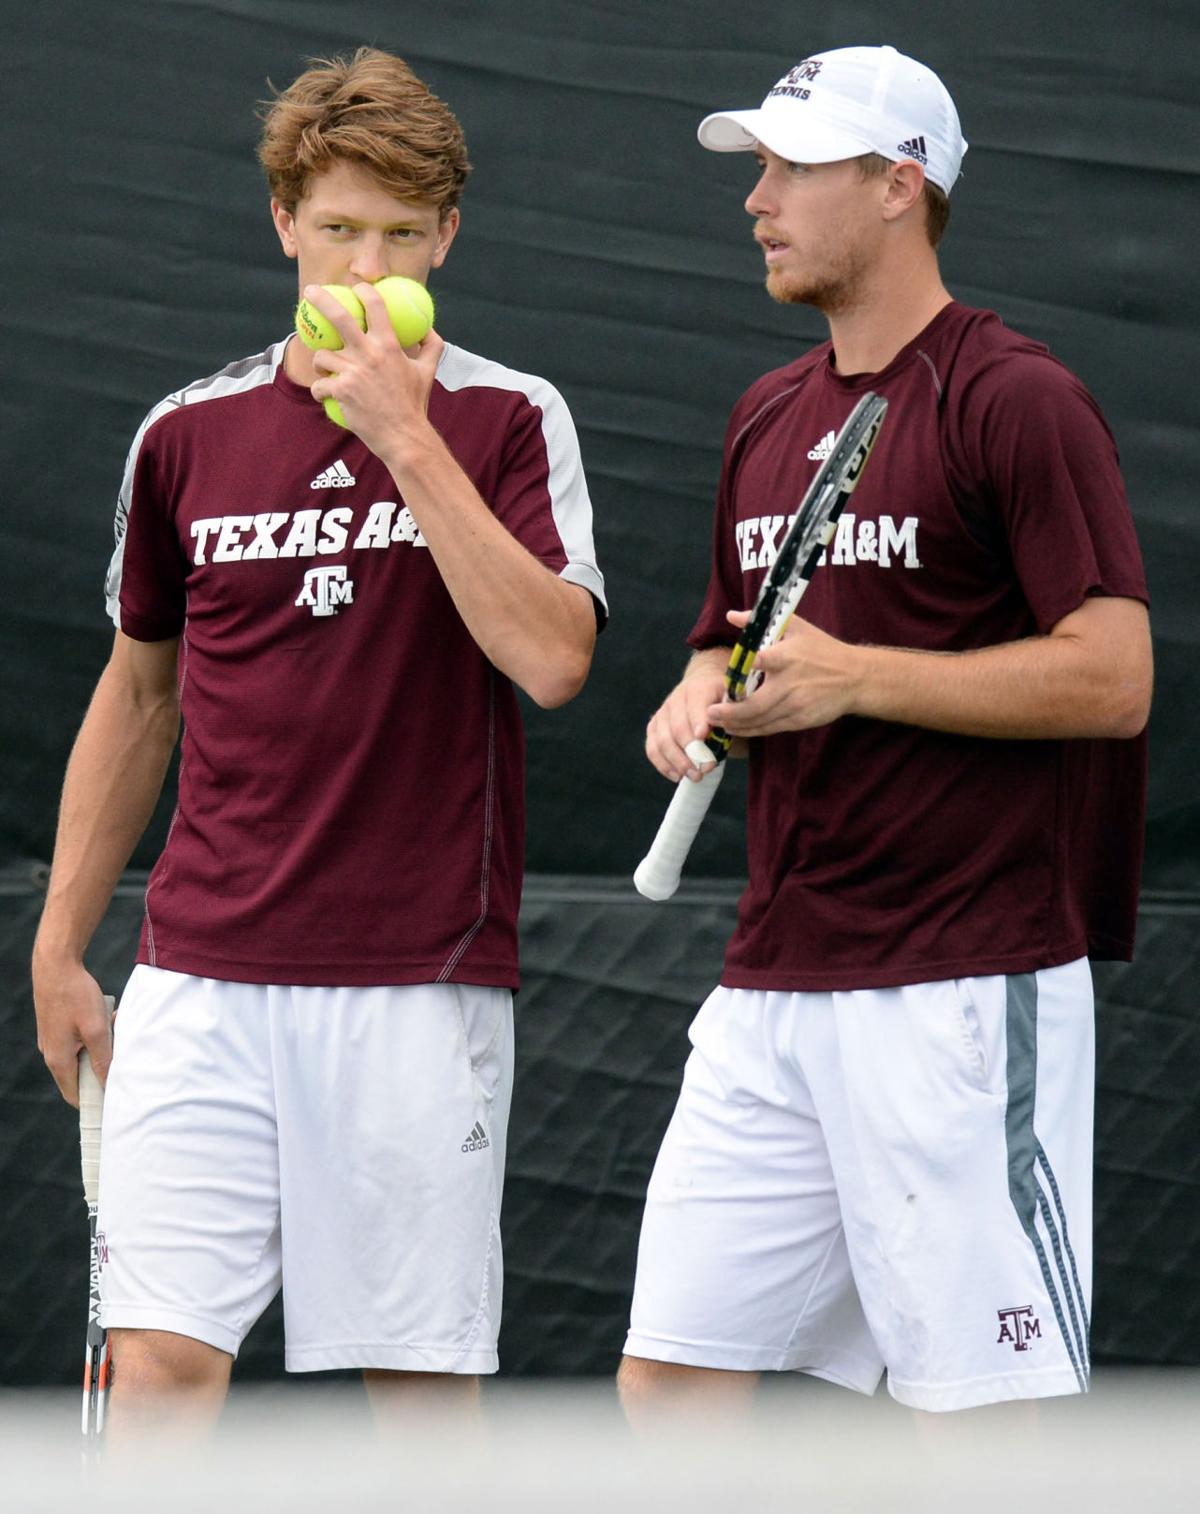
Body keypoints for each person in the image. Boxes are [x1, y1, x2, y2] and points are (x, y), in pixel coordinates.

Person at [32, 46, 605, 1433]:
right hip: (200, 982)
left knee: (418, 1397)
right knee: (157, 1372)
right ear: (283, 220)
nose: (365, 263)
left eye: (401, 235)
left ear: (447, 239)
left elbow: (553, 658)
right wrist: (59, 941)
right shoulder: (188, 432)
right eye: (338, 228)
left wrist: (409, 439)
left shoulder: (508, 417)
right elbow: (139, 694)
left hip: (419, 981)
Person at [620, 44, 1151, 1416]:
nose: (758, 201)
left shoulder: (1015, 396)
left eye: (793, 169)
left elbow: (1113, 675)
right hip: (775, 983)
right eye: (759, 171)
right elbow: (732, 630)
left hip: (964, 983)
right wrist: (696, 691)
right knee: (669, 1387)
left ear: (897, 184)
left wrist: (861, 678)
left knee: (980, 1426)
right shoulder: (764, 415)